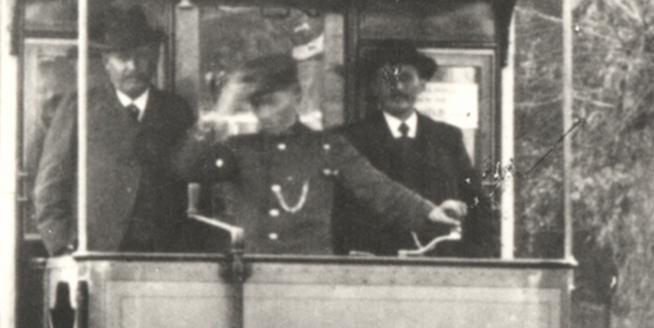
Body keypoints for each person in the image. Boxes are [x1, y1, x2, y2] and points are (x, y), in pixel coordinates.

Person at [175, 53, 467, 255]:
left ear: (296, 95)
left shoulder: (328, 147)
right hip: (252, 276)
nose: (263, 113)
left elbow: (378, 189)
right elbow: (186, 168)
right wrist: (223, 107)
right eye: (257, 104)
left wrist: (428, 211)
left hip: (311, 276)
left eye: (272, 102)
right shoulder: (238, 149)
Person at [33, 6, 198, 255]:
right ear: (106, 62)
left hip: (163, 258)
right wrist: (63, 249)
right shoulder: (80, 108)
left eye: (142, 56)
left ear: (155, 59)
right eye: (123, 57)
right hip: (95, 256)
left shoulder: (175, 111)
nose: (133, 66)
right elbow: (49, 189)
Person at [335, 46, 499, 257]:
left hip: (438, 261)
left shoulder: (447, 138)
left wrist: (480, 259)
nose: (398, 87)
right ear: (374, 87)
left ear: (422, 85)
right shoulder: (350, 139)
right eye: (388, 80)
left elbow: (477, 204)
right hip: (375, 263)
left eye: (406, 78)